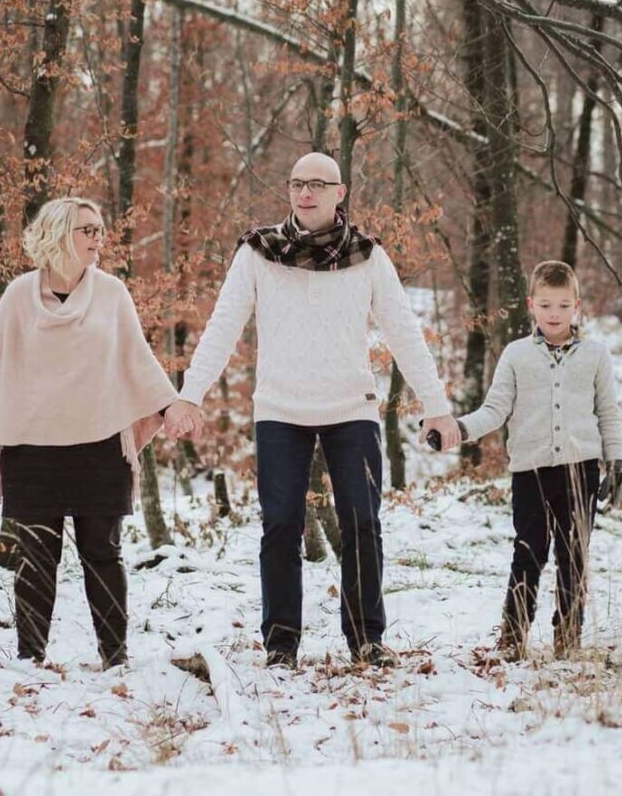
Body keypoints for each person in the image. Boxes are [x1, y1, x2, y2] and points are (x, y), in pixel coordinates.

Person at [165, 152, 459, 668]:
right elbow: (223, 326)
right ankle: (281, 644)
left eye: (318, 184)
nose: (305, 193)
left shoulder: (368, 255)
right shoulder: (259, 252)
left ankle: (366, 640)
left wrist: (436, 405)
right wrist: (191, 393)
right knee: (280, 524)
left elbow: (404, 332)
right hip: (280, 408)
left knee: (362, 522)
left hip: (352, 408)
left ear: (339, 193)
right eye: (297, 183)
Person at [0, 197, 177, 668]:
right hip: (32, 449)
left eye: (100, 229)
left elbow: (137, 357)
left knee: (102, 554)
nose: (98, 238)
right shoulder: (18, 296)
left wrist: (170, 405)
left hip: (100, 444)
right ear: (58, 235)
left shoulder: (112, 293)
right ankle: (29, 658)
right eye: (87, 230)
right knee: (35, 558)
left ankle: (115, 657)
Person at [456, 260, 622, 660]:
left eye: (564, 305)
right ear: (531, 304)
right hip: (530, 472)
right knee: (528, 552)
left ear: (577, 306)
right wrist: (460, 429)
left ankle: (568, 638)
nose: (554, 314)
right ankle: (513, 637)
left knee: (574, 556)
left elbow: (608, 412)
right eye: (546, 305)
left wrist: (617, 462)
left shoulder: (596, 355)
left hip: (580, 471)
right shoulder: (516, 355)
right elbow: (495, 409)